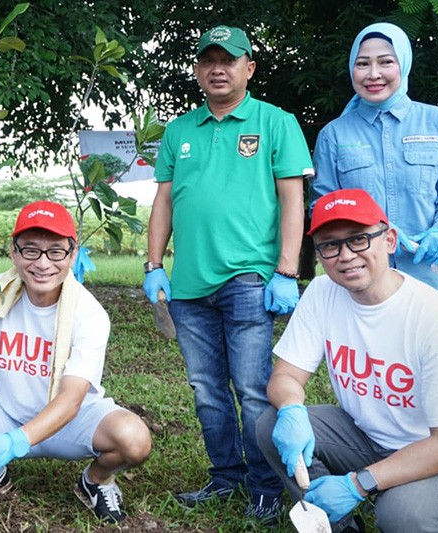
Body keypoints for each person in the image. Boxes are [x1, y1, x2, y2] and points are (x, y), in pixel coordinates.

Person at [143, 25, 314, 524]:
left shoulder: (275, 122)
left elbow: (292, 199)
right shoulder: (179, 131)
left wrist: (286, 269)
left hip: (248, 278)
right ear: (198, 70)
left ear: (249, 68)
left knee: (253, 387)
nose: (218, 69)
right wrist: (154, 265)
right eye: (208, 60)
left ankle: (265, 486)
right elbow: (164, 200)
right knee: (206, 389)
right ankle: (225, 477)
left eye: (229, 60)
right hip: (188, 286)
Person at [0, 200, 152, 524]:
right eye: (31, 250)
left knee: (134, 439)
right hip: (6, 412)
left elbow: (71, 400)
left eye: (55, 251)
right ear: (14, 252)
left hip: (71, 422)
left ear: (72, 253)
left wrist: (16, 442)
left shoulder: (88, 312)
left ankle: (95, 481)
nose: (43, 264)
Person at [257, 188, 438, 532]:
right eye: (330, 245)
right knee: (271, 424)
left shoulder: (434, 317)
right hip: (367, 440)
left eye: (359, 239)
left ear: (389, 240)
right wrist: (290, 409)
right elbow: (285, 375)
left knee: (403, 515)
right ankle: (339, 525)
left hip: (434, 455)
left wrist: (357, 484)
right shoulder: (321, 292)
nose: (345, 255)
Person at [311, 22, 438, 296]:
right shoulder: (333, 135)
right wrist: (367, 229)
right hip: (362, 278)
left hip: (433, 274)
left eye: (386, 62)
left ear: (404, 64)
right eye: (363, 64)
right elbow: (323, 207)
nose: (374, 74)